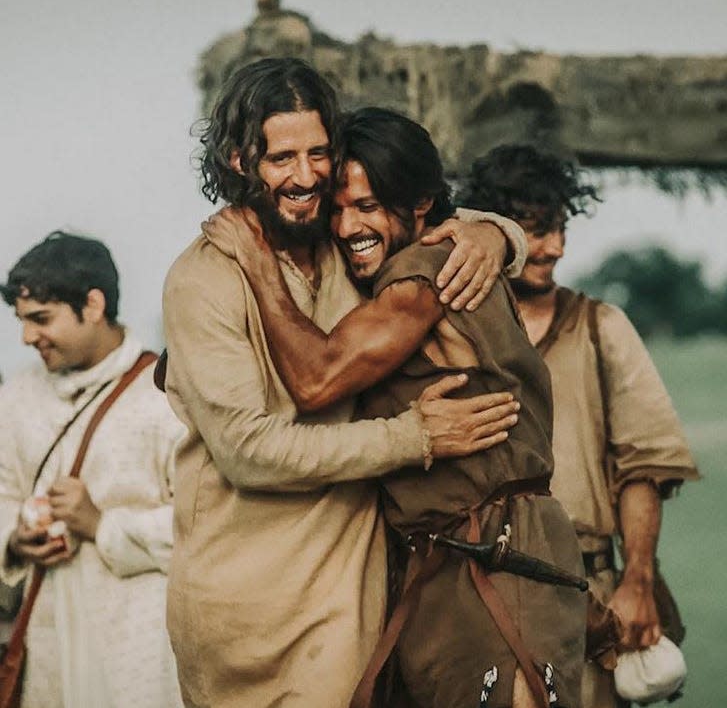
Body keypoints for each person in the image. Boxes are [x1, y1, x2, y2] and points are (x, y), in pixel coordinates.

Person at [162, 58, 529, 708]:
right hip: (246, 601)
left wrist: (494, 234)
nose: (305, 177)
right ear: (239, 162)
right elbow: (250, 450)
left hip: (350, 595)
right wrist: (410, 436)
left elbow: (406, 209)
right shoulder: (204, 279)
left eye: (319, 154)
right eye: (281, 158)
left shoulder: (342, 245)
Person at [459, 144, 700, 708]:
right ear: (498, 232)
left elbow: (644, 467)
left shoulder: (601, 327)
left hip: (587, 590)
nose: (556, 247)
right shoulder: (457, 328)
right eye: (537, 230)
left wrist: (637, 580)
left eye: (561, 228)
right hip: (477, 590)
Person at [0, 232, 184, 708]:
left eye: (41, 319)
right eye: (22, 321)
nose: (27, 337)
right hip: (46, 641)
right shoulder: (16, 398)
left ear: (94, 304)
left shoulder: (165, 397)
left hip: (138, 648)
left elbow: (207, 525)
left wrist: (101, 524)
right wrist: (16, 538)